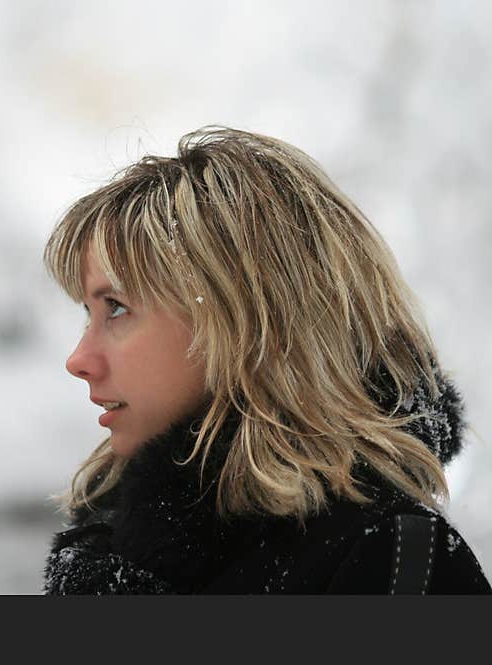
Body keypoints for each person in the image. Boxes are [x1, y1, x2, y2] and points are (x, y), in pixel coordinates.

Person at [41, 127, 490, 594]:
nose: (79, 359)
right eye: (87, 314)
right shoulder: (115, 548)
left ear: (245, 323)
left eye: (115, 307)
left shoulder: (396, 564)